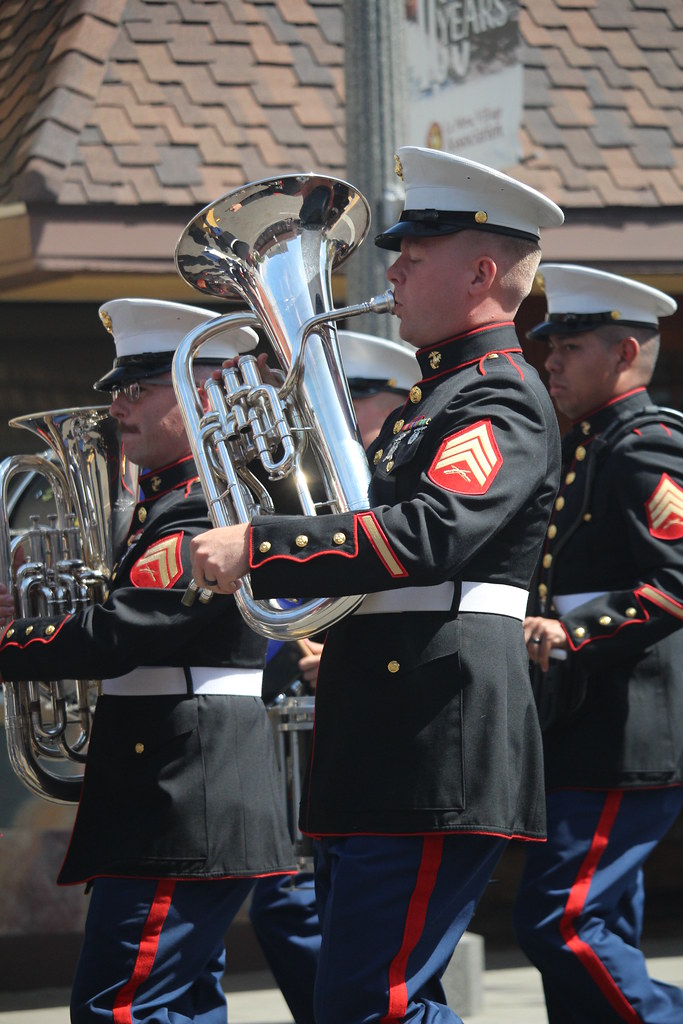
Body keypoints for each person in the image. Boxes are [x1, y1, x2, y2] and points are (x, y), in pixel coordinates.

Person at [189, 145, 565, 1024]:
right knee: (363, 1001)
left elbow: (430, 534)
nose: (390, 270)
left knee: (370, 1004)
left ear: (480, 271)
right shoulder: (426, 406)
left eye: (414, 255)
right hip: (393, 728)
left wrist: (262, 542)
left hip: (437, 730)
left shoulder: (497, 398)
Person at [0, 297, 295, 1024]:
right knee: (178, 1008)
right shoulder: (170, 503)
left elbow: (121, 634)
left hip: (179, 791)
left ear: (199, 396)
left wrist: (16, 640)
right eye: (117, 390)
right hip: (171, 783)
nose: (118, 406)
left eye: (139, 389)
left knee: (118, 1010)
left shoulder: (200, 507)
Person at [513, 264, 683, 1023]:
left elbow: (676, 582)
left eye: (570, 345)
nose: (549, 358)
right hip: (583, 720)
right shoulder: (588, 444)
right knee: (600, 927)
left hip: (623, 727)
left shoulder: (644, 445)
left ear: (623, 353)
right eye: (548, 344)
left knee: (563, 924)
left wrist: (571, 632)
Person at [249, 329, 419, 1024]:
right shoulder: (323, 489)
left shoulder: (398, 482)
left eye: (348, 397)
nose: (327, 414)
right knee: (298, 913)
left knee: (345, 948)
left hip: (387, 730)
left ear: (393, 403)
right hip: (323, 725)